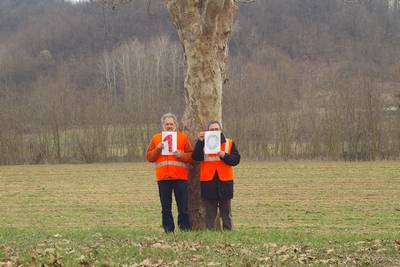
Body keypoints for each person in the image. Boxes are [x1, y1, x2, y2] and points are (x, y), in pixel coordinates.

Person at [146, 113, 193, 233]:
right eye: (167, 124)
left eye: (171, 124)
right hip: (163, 178)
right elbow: (149, 157)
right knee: (166, 208)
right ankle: (168, 230)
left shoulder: (183, 138)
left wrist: (181, 155)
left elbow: (191, 156)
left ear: (175, 125)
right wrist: (158, 149)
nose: (169, 126)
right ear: (163, 125)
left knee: (183, 207)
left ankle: (184, 230)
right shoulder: (156, 138)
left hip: (180, 177)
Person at [192, 120, 240, 230]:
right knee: (210, 213)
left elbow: (236, 160)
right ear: (207, 131)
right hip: (208, 181)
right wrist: (200, 142)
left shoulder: (229, 143)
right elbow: (196, 157)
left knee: (226, 211)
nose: (214, 131)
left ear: (221, 130)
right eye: (211, 129)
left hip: (225, 181)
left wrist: (225, 156)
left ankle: (229, 232)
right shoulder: (203, 143)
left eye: (216, 129)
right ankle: (210, 234)